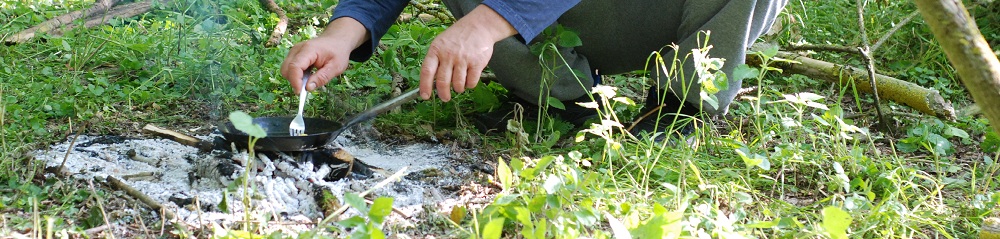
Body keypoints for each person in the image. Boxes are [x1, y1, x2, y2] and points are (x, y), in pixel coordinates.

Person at [280, 0, 788, 137]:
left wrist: (483, 25)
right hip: (556, 18)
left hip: (662, 12)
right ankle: (559, 97)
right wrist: (340, 35)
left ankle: (682, 105)